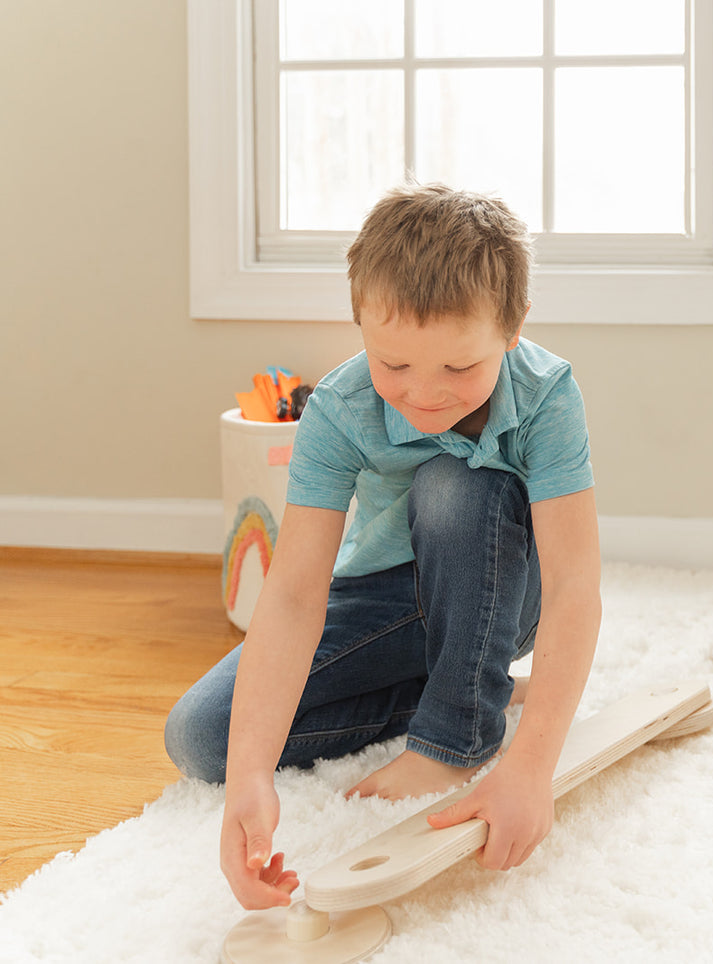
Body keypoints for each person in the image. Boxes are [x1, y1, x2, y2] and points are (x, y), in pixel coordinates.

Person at [165, 183, 601, 910]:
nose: (425, 396)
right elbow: (298, 593)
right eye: (393, 365)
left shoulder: (547, 394)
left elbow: (574, 585)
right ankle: (467, 680)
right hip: (386, 595)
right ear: (360, 323)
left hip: (501, 590)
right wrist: (249, 779)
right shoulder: (337, 409)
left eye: (458, 368)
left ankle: (454, 734)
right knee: (204, 738)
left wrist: (531, 765)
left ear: (511, 327)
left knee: (453, 481)